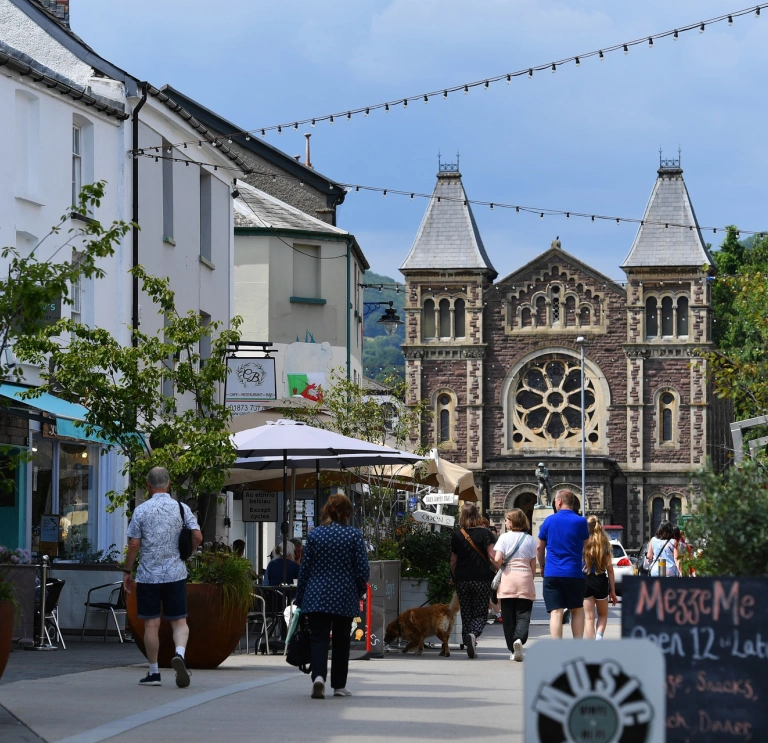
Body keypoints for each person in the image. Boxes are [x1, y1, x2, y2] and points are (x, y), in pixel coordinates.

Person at [122, 467, 202, 688]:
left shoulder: (141, 510)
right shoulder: (182, 508)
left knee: (151, 624)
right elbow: (197, 535)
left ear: (148, 485)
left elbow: (134, 544)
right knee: (179, 621)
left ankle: (154, 672)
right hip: (175, 573)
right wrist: (187, 554)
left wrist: (127, 571)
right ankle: (179, 654)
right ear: (168, 485)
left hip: (148, 576)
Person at [295, 492, 369, 700]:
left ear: (327, 510)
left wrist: (300, 598)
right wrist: (359, 589)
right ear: (347, 513)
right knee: (341, 641)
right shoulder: (353, 535)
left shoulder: (315, 534)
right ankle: (339, 685)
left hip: (316, 594)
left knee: (318, 639)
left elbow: (305, 570)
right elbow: (363, 569)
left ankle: (318, 677)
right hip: (344, 595)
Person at [537, 489, 589, 639]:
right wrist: (584, 562)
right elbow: (587, 546)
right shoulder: (581, 521)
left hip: (552, 573)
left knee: (556, 611)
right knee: (577, 610)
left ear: (559, 501)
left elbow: (539, 547)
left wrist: (542, 566)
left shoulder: (549, 520)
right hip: (574, 573)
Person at [450, 502, 496, 658]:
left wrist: (453, 577)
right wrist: (499, 568)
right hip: (482, 578)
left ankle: (468, 639)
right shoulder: (485, 534)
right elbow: (491, 555)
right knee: (481, 612)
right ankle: (473, 634)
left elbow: (453, 561)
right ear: (477, 515)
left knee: (466, 612)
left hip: (462, 579)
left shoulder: (457, 535)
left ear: (461, 516)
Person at [492, 508, 536, 662]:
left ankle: (512, 648)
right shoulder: (529, 539)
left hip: (508, 579)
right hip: (524, 579)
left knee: (508, 617)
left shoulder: (503, 538)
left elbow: (497, 560)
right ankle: (519, 639)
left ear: (512, 522)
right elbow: (533, 567)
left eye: (507, 520)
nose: (505, 522)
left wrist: (501, 564)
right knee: (524, 615)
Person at [582, 516, 618, 640]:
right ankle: (598, 638)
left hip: (585, 580)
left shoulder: (582, 542)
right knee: (602, 615)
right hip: (600, 580)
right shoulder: (605, 544)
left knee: (589, 617)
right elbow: (610, 570)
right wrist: (613, 591)